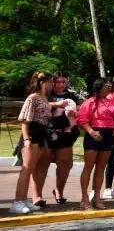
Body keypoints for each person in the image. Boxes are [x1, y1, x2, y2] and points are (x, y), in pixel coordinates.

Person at [10, 72, 55, 215]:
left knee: (35, 168)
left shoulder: (44, 98)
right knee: (27, 169)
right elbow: (24, 120)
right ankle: (17, 201)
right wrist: (27, 139)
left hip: (42, 135)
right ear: (43, 82)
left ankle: (25, 199)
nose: (52, 85)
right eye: (50, 82)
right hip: (32, 134)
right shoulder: (33, 98)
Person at [35, 71, 81, 206]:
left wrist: (75, 112)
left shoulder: (73, 95)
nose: (61, 85)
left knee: (64, 165)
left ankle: (59, 191)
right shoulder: (46, 94)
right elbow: (38, 107)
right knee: (42, 164)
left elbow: (83, 109)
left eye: (64, 82)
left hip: (66, 134)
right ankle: (37, 195)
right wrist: (56, 105)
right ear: (52, 82)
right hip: (46, 133)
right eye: (58, 82)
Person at [77, 78, 114, 210]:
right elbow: (82, 119)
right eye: (106, 85)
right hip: (94, 134)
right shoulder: (89, 102)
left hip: (107, 135)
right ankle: (84, 198)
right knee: (88, 167)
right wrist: (91, 131)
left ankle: (96, 197)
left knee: (101, 167)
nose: (109, 87)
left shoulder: (111, 101)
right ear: (99, 87)